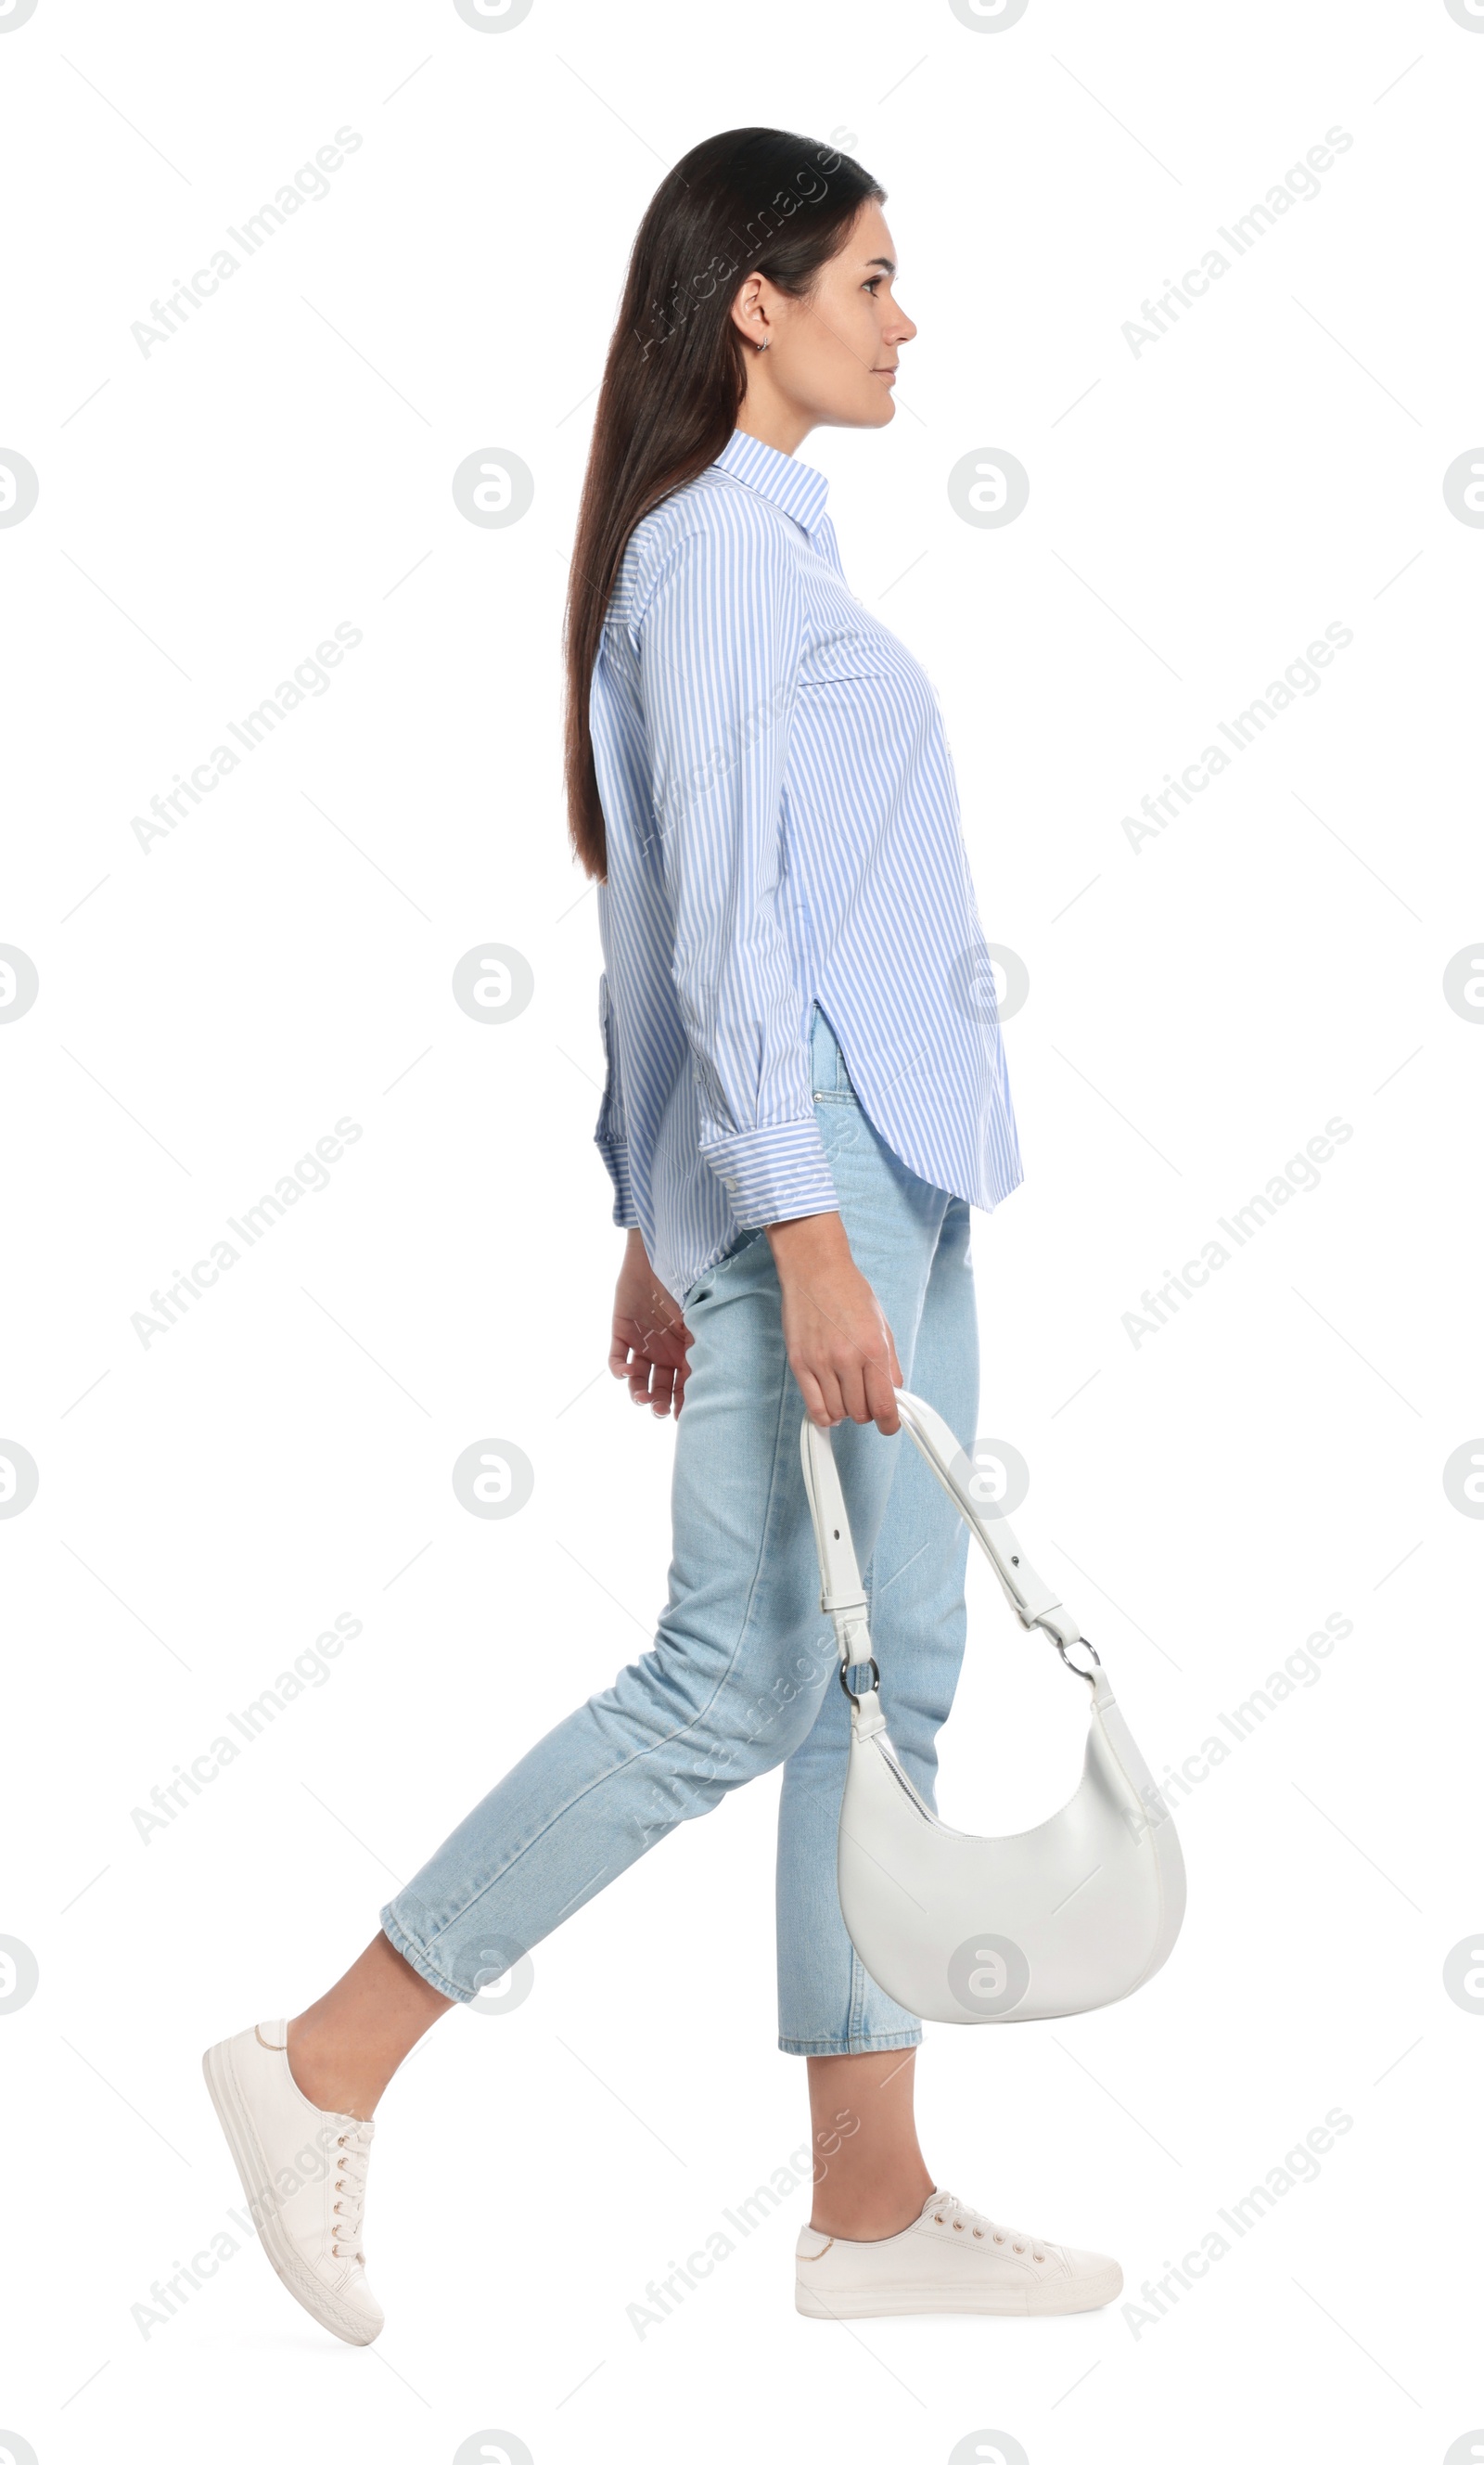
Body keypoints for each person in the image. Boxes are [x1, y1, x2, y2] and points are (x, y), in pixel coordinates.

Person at [202, 124, 1122, 2344]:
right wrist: (776, 1233)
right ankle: (320, 2061)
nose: (907, 322)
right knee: (738, 1673)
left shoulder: (763, 551)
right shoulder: (716, 554)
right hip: (833, 1186)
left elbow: (658, 936)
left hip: (875, 1175)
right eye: (875, 279)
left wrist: (659, 1215)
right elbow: (711, 919)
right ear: (757, 301)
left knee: (883, 1677)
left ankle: (870, 2204)